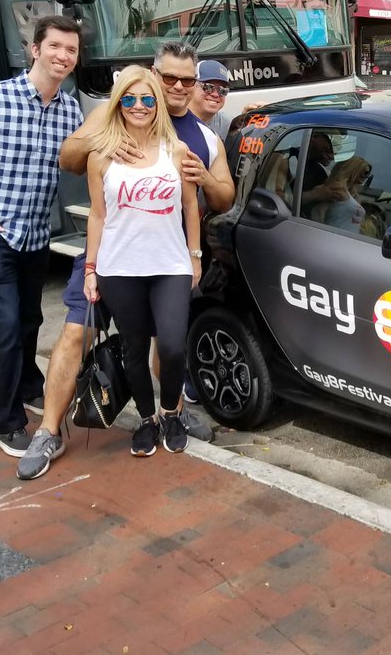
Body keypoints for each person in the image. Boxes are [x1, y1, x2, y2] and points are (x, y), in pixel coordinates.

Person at [18, 42, 233, 480]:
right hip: (114, 253)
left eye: (186, 80)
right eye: (167, 77)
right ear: (152, 74)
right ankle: (49, 430)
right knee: (76, 334)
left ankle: (169, 411)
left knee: (168, 342)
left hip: (169, 254)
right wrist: (108, 143)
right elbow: (70, 159)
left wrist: (204, 177)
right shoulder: (112, 116)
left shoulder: (203, 136)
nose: (176, 86)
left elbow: (222, 196)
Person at [0, 15, 83, 459]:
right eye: (56, 46)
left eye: (71, 49)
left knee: (30, 321)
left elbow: (80, 160)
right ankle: (7, 424)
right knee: (4, 330)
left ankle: (28, 384)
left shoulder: (70, 109)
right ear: (35, 49)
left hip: (34, 235)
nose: (63, 55)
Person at [83, 65, 200, 457]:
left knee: (171, 346)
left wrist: (195, 257)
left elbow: (190, 206)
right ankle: (147, 419)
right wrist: (90, 268)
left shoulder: (176, 151)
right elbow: (97, 215)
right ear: (118, 104)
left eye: (147, 99)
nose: (139, 106)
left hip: (170, 265)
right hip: (120, 268)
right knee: (133, 350)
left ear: (157, 105)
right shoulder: (101, 157)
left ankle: (171, 412)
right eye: (129, 99)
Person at [311, 157, 371, 232]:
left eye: (368, 174)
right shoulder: (335, 189)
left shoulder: (351, 193)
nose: (367, 176)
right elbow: (318, 212)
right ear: (354, 168)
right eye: (366, 172)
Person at [190, 60, 232, 137]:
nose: (215, 94)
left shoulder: (226, 124)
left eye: (222, 90)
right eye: (208, 87)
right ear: (192, 85)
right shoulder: (172, 121)